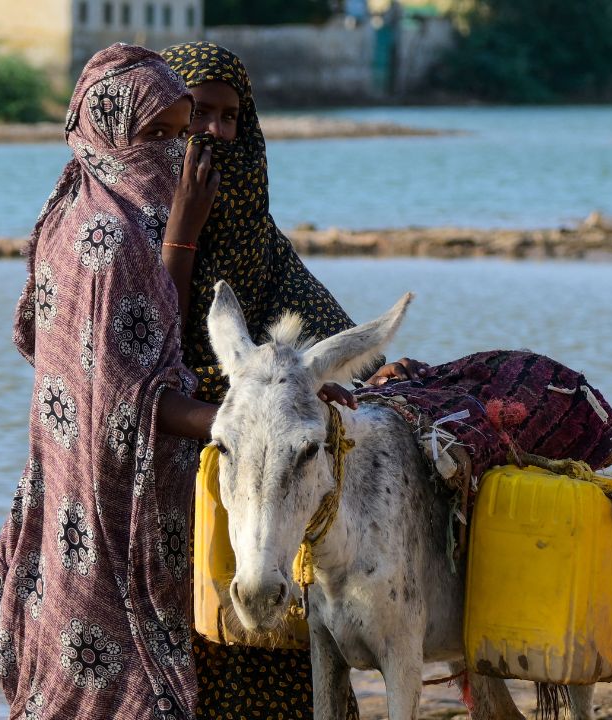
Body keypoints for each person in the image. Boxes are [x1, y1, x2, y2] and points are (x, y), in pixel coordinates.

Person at [0, 43, 358, 720]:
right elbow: (132, 381)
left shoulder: (234, 227)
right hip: (137, 499)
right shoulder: (113, 231)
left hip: (225, 505)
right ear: (112, 130)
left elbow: (316, 343)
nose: (200, 140)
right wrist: (243, 416)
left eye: (220, 118)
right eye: (182, 124)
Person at [161, 40, 424, 720]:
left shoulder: (254, 231)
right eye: (198, 115)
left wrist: (360, 376)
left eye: (230, 117)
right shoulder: (135, 219)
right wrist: (183, 228)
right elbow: (146, 338)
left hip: (270, 469)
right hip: (174, 462)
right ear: (167, 116)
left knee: (278, 660)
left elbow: (322, 326)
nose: (215, 132)